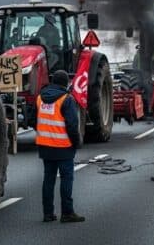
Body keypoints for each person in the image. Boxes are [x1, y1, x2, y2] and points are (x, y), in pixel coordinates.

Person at [35, 70, 85, 223]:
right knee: (66, 179)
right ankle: (67, 213)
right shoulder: (66, 99)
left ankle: (48, 213)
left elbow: (35, 119)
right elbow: (72, 125)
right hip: (63, 147)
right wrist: (76, 142)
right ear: (65, 83)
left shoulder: (40, 99)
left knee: (48, 180)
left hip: (45, 146)